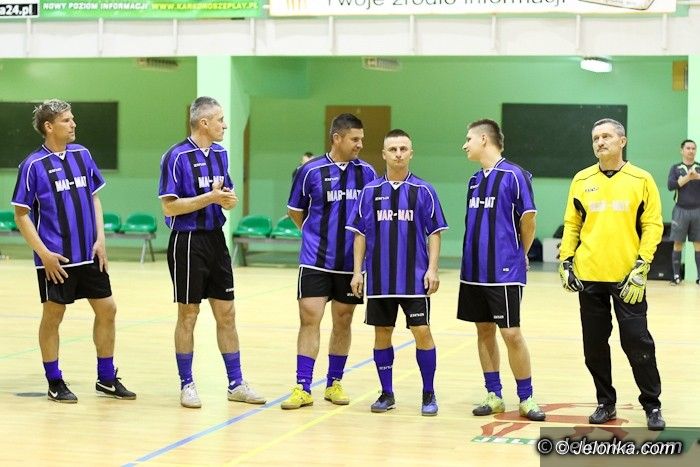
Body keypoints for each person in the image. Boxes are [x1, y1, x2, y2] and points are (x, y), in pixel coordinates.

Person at [11, 99, 136, 403]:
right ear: (49, 127)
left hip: (89, 253)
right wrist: (44, 254)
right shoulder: (33, 165)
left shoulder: (83, 155)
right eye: (66, 120)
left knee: (108, 309)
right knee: (54, 315)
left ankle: (106, 378)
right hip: (57, 258)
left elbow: (94, 198)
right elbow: (21, 214)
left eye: (72, 118)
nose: (73, 124)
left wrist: (101, 239)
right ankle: (55, 381)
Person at [558, 118, 665, 431]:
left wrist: (642, 265)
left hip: (628, 278)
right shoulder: (581, 180)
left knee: (638, 343)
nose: (600, 142)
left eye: (606, 136)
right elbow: (572, 224)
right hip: (590, 276)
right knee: (594, 346)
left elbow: (652, 225)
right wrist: (566, 261)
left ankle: (652, 404)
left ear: (623, 141)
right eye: (595, 138)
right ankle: (606, 402)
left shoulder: (641, 179)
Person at [158, 96, 265, 408]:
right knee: (188, 313)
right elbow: (169, 207)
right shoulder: (175, 156)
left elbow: (224, 195)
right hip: (187, 241)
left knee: (227, 313)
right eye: (220, 120)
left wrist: (228, 200)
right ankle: (187, 384)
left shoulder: (221, 154)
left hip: (216, 240)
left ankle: (236, 383)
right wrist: (211, 198)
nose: (225, 125)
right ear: (203, 123)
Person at [347, 129, 448, 416]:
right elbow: (359, 234)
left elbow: (435, 232)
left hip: (414, 278)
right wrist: (357, 272)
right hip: (380, 278)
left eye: (403, 149)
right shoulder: (369, 192)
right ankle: (387, 393)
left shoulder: (424, 190)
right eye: (393, 149)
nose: (398, 154)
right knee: (382, 333)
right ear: (384, 154)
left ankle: (428, 393)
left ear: (411, 153)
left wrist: (432, 269)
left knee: (422, 331)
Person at [282, 113, 377, 410]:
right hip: (315, 261)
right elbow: (294, 210)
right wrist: (312, 234)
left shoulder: (368, 173)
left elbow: (370, 217)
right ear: (337, 138)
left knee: (343, 321)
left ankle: (334, 382)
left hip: (350, 264)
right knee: (309, 319)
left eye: (361, 139)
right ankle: (303, 386)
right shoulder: (310, 171)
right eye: (354, 139)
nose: (360, 144)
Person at [457, 119, 545, 422]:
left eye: (468, 139)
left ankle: (526, 397)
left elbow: (528, 219)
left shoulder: (515, 175)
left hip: (504, 269)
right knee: (483, 330)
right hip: (473, 271)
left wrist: (521, 254)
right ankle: (493, 394)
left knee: (511, 333)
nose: (465, 145)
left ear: (484, 139)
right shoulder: (473, 180)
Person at [667, 139, 700, 285]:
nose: (691, 151)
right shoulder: (676, 168)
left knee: (698, 244)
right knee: (678, 243)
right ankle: (676, 276)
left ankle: (699, 277)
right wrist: (687, 178)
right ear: (682, 150)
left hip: (698, 211)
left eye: (693, 148)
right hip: (680, 210)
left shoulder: (699, 167)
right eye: (688, 148)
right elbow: (671, 185)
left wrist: (697, 177)